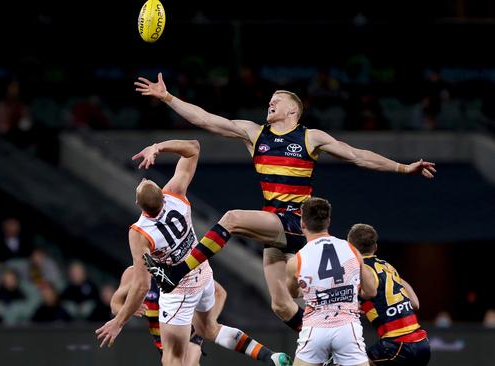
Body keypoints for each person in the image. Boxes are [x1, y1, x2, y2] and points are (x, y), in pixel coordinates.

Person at [136, 73, 435, 332]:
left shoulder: (310, 137)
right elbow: (206, 120)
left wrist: (402, 167)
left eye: (276, 100)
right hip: (275, 227)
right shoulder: (255, 134)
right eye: (270, 99)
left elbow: (357, 155)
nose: (270, 102)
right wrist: (167, 97)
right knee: (281, 304)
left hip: (296, 220)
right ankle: (319, 340)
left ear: (293, 110)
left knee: (232, 218)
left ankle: (176, 273)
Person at [95, 140, 291, 366]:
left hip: (179, 290)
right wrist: (158, 147)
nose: (143, 178)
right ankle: (270, 356)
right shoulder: (175, 194)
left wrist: (118, 322)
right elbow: (194, 147)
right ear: (161, 192)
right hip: (202, 272)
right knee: (208, 329)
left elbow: (141, 284)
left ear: (138, 205)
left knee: (172, 359)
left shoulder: (140, 233)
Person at [111, 265, 289, 365]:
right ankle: (271, 357)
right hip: (163, 341)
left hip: (188, 334)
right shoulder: (134, 274)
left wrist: (207, 322)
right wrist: (128, 309)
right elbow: (115, 304)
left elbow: (220, 293)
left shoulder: (182, 271)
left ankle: (268, 356)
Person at [285, 197, 377, 366]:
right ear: (328, 221)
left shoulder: (296, 261)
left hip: (315, 330)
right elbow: (371, 291)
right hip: (347, 328)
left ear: (302, 223)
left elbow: (292, 293)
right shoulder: (352, 250)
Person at [347, 223, 430, 365]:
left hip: (397, 346)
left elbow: (369, 292)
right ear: (375, 247)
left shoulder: (360, 271)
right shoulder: (387, 267)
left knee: (351, 360)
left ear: (350, 248)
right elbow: (415, 304)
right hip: (422, 344)